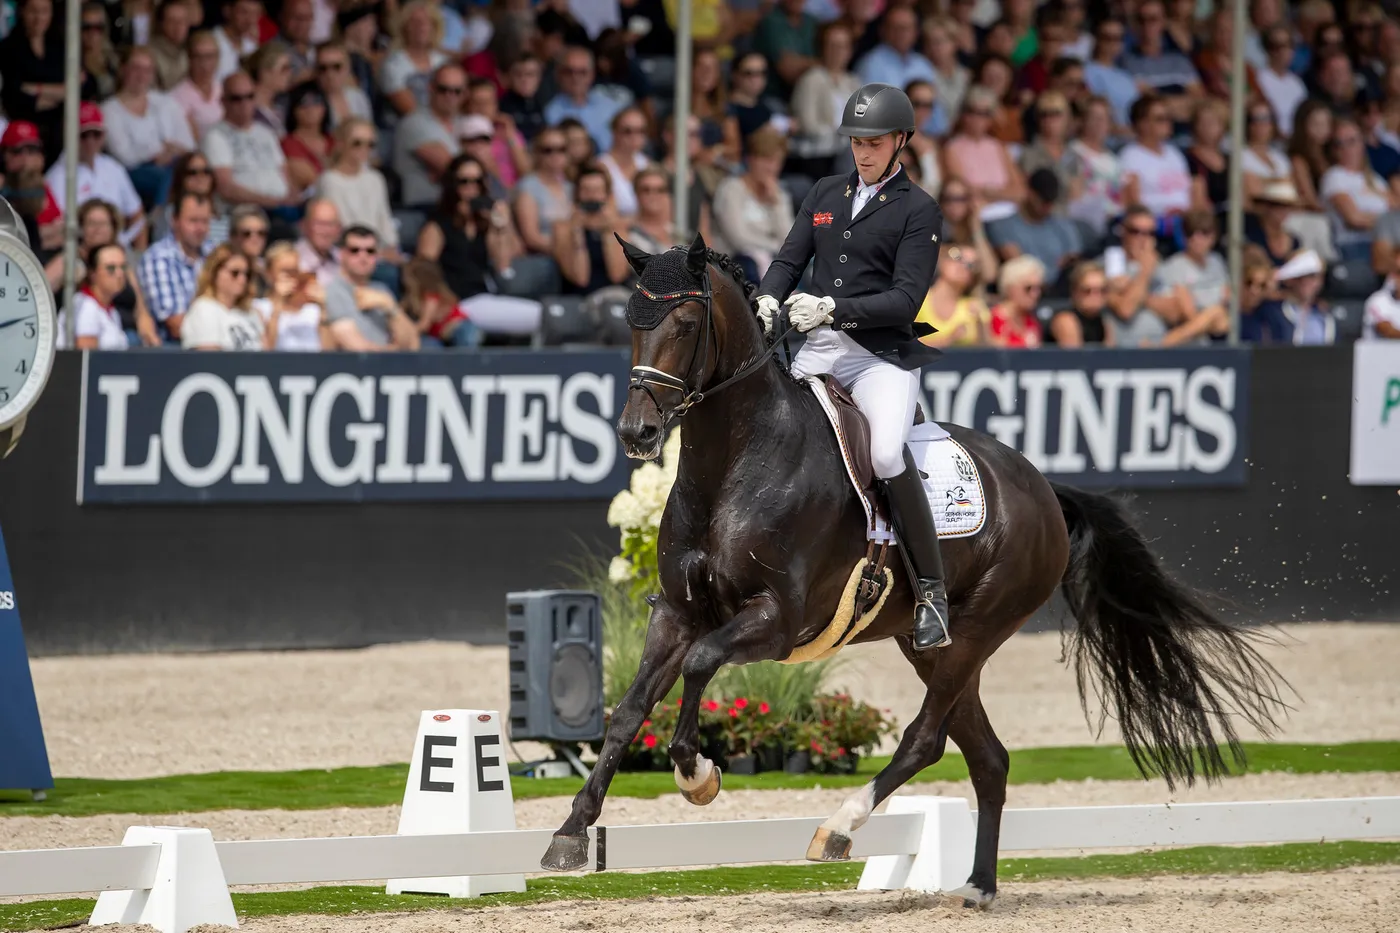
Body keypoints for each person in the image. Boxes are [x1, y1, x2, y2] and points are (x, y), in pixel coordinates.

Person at [754, 82, 950, 651]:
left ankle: (932, 591)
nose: (862, 152)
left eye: (874, 141)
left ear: (900, 142)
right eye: (856, 141)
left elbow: (906, 299)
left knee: (887, 452)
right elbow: (789, 260)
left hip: (879, 356)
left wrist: (835, 307)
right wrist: (769, 297)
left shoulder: (919, 209)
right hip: (818, 348)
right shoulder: (824, 191)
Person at [325, 225, 421, 351]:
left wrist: (391, 307)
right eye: (355, 250)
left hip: (387, 367)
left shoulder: (381, 290)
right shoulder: (333, 290)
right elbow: (356, 348)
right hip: (350, 368)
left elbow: (413, 344)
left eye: (370, 251)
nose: (363, 257)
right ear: (342, 254)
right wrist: (395, 350)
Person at [181, 241, 266, 349]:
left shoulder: (251, 312)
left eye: (247, 274)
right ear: (214, 273)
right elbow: (210, 360)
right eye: (235, 273)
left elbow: (266, 356)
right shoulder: (204, 309)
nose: (242, 279)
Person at [254, 241, 327, 351]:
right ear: (269, 274)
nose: (292, 277)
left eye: (295, 271)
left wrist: (323, 307)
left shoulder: (312, 310)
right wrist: (278, 304)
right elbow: (266, 349)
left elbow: (328, 350)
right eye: (285, 271)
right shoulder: (258, 307)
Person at [61, 243, 133, 350]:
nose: (119, 274)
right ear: (93, 274)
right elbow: (86, 360)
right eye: (111, 268)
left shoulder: (111, 311)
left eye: (123, 267)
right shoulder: (86, 307)